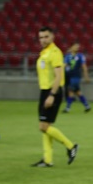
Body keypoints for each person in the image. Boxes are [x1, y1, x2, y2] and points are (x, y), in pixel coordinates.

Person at [32, 26, 78, 167]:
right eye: (41, 37)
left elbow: (59, 76)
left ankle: (71, 146)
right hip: (45, 91)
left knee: (43, 126)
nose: (43, 40)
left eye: (46, 36)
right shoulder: (44, 53)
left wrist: (52, 95)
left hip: (53, 91)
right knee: (46, 126)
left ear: (52, 37)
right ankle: (47, 159)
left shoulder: (55, 52)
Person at [62, 42, 91, 113]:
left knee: (71, 91)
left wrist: (86, 76)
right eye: (75, 46)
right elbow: (64, 65)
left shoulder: (80, 56)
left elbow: (84, 66)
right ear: (71, 47)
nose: (77, 48)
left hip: (76, 76)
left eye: (78, 47)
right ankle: (87, 105)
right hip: (68, 76)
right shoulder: (68, 56)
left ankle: (67, 108)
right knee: (78, 92)